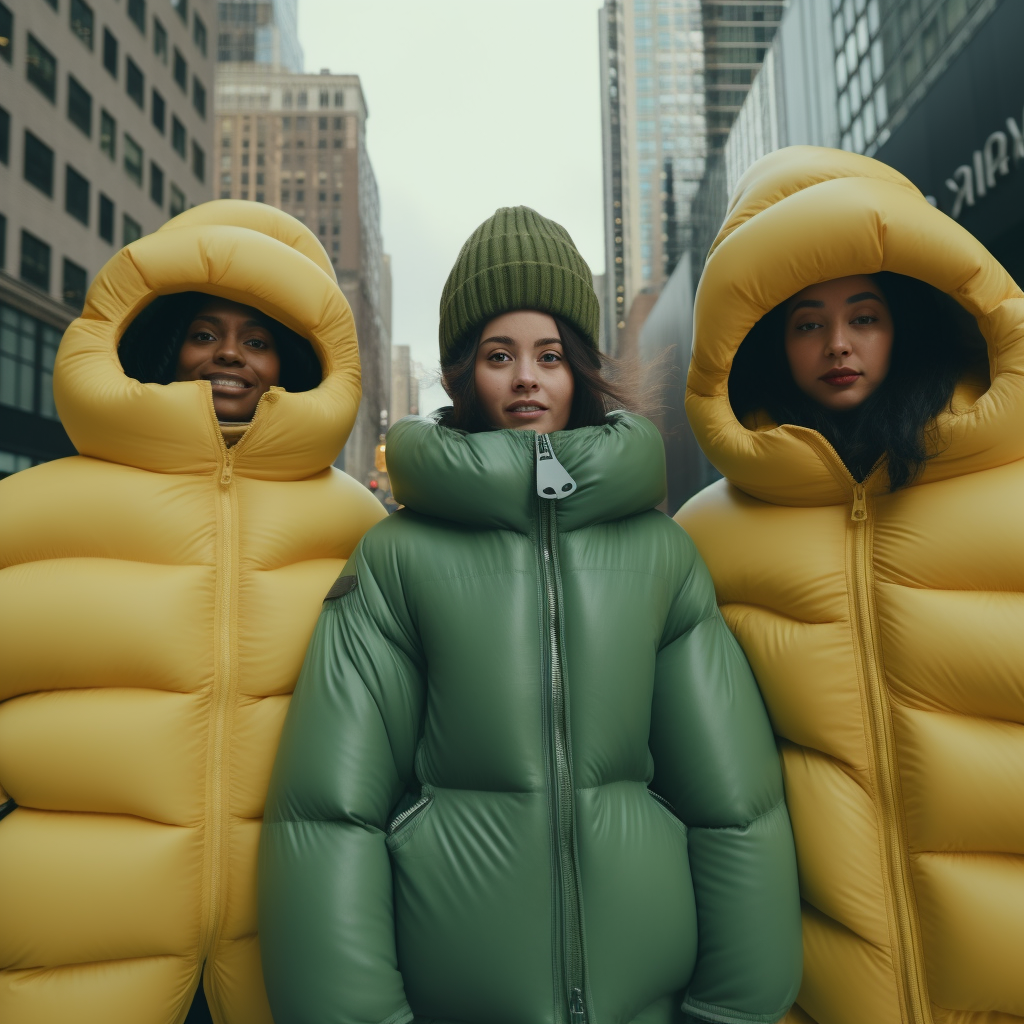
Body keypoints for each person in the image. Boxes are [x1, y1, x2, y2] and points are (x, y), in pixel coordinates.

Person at [258, 207, 802, 1024]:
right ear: (460, 376)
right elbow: (330, 818)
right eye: (498, 355)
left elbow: (735, 808)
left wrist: (734, 1008)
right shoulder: (396, 560)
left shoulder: (660, 556)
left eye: (549, 355)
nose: (525, 378)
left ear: (580, 369)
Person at [0, 201, 385, 1024]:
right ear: (163, 342)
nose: (229, 357)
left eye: (257, 339)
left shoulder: (362, 527)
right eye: (205, 332)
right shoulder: (26, 512)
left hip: (287, 943)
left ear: (294, 361)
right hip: (62, 940)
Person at [675, 147, 1024, 1024]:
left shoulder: (1009, 484)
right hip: (817, 992)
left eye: (862, 315)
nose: (838, 345)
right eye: (806, 322)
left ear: (905, 319)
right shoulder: (703, 538)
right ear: (763, 341)